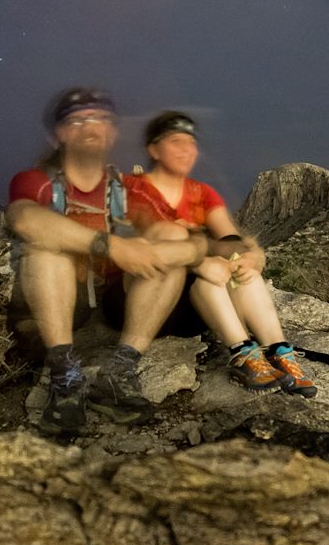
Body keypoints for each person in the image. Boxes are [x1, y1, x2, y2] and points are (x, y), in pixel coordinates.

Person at [6, 88, 209, 435]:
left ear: (112, 132)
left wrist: (165, 251)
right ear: (57, 135)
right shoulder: (37, 182)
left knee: (168, 251)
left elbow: (190, 241)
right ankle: (65, 377)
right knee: (46, 250)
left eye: (100, 118)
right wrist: (110, 245)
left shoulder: (123, 190)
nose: (91, 126)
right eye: (77, 119)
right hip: (57, 298)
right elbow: (25, 220)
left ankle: (118, 374)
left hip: (109, 298)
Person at [124, 111, 317, 397]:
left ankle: (278, 351)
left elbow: (230, 239)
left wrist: (247, 258)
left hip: (195, 303)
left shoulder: (202, 193)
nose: (186, 150)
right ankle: (242, 351)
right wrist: (201, 261)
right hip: (147, 294)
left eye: (191, 142)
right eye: (176, 141)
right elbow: (135, 245)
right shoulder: (132, 188)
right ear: (154, 149)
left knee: (241, 270)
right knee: (198, 260)